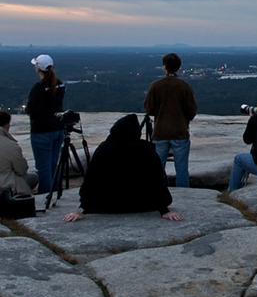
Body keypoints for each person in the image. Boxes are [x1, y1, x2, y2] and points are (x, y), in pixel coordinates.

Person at [62, 114, 184, 221]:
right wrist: (164, 210)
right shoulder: (145, 149)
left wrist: (82, 209)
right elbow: (156, 180)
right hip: (142, 204)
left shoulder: (104, 148)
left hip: (107, 205)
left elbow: (91, 180)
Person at [144, 52, 199, 188]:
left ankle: (156, 193)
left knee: (157, 168)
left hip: (160, 133)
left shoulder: (156, 86)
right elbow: (192, 112)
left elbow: (149, 109)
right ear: (178, 68)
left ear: (165, 67)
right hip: (180, 133)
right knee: (181, 169)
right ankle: (184, 195)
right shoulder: (185, 87)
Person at [26, 54, 68, 195]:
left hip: (41, 131)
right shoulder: (59, 83)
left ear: (38, 68)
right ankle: (55, 191)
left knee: (43, 167)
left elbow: (32, 109)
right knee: (53, 164)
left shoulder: (38, 88)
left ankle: (45, 195)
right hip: (58, 128)